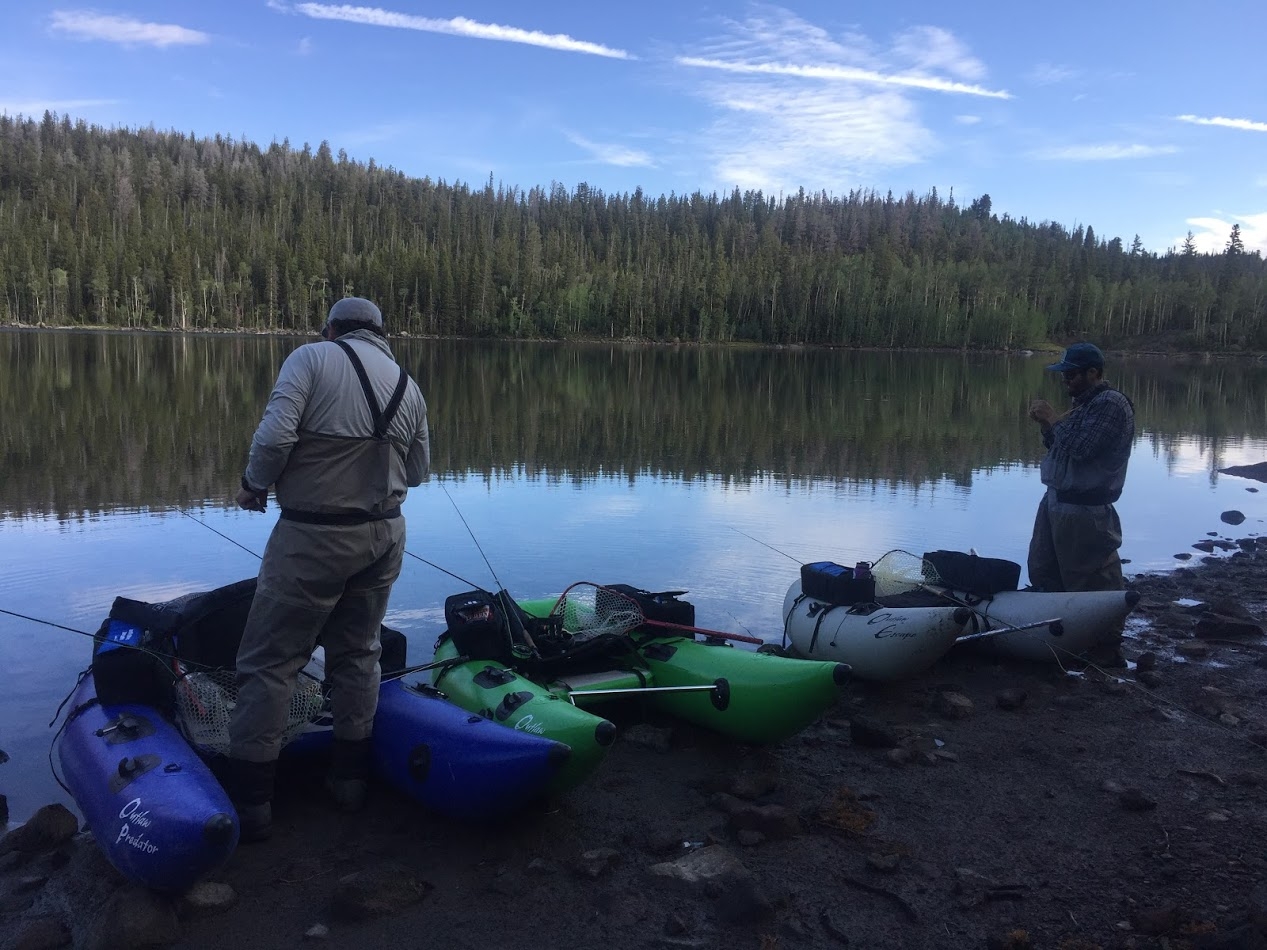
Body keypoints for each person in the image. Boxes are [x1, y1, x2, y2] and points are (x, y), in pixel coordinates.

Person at [227, 296, 430, 841]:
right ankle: (349, 783)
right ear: (381, 333)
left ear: (333, 328)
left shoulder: (309, 360)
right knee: (359, 652)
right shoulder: (408, 385)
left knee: (271, 662)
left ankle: (251, 804)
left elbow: (273, 437)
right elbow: (418, 471)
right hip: (384, 536)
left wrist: (254, 485)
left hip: (312, 539)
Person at [1026, 342, 1135, 656]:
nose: (1066, 380)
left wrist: (1053, 419)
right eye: (1064, 374)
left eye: (1072, 374)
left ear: (1094, 373)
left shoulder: (1110, 404)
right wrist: (1049, 425)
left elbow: (1082, 449)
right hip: (1057, 502)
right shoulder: (1083, 405)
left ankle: (1105, 645)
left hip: (1087, 511)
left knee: (1092, 579)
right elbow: (1060, 448)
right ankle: (1061, 633)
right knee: (1045, 570)